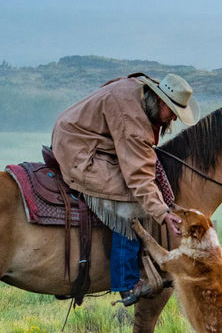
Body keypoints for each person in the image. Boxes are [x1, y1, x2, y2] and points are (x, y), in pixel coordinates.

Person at [51, 72, 200, 306]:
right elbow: (139, 178)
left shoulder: (140, 93)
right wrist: (161, 212)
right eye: (172, 112)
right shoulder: (132, 119)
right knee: (130, 201)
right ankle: (126, 281)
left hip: (91, 139)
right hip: (79, 149)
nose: (172, 119)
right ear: (160, 100)